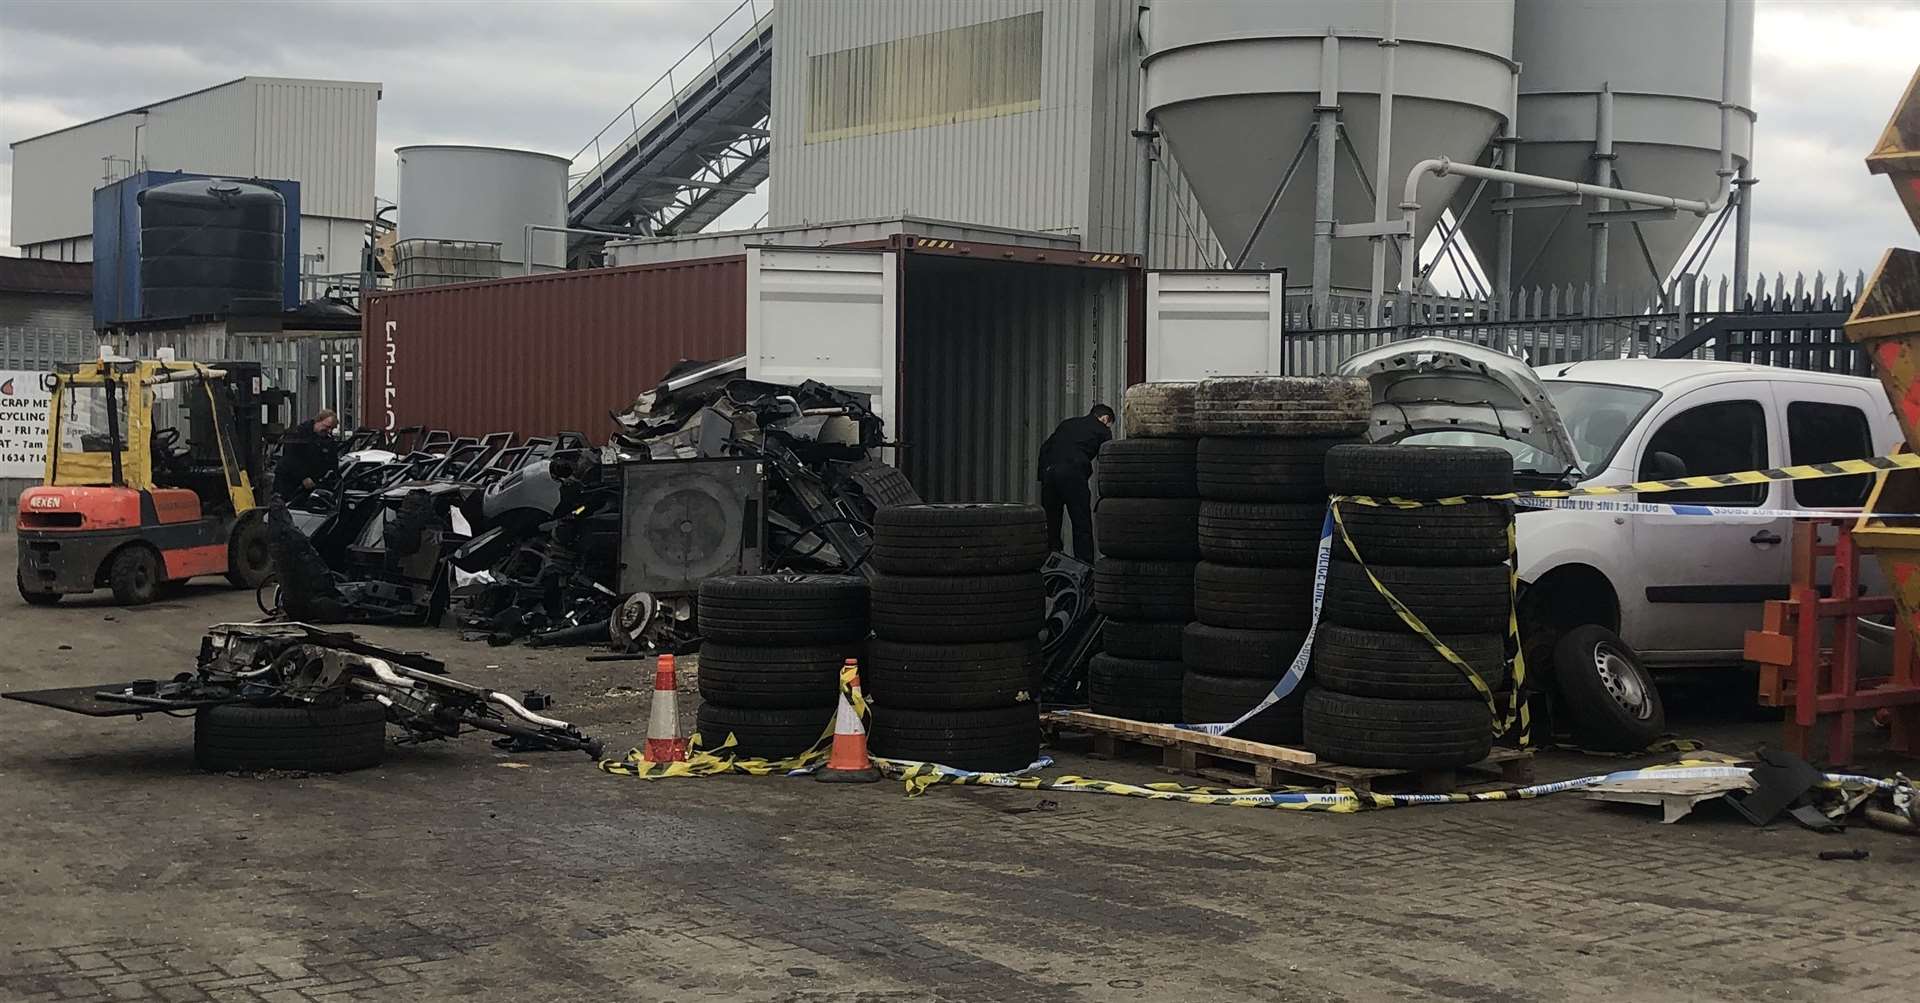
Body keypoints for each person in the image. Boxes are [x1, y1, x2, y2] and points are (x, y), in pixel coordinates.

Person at [1037, 404, 1114, 561]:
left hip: (1049, 473)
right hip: (1072, 474)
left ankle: (1051, 564)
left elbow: (1045, 448)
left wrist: (1043, 476)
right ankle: (1084, 567)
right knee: (1081, 524)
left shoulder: (1067, 423)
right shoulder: (1103, 430)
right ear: (1105, 419)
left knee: (1051, 524)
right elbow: (1106, 460)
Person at [273, 408, 340, 501]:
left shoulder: (327, 440)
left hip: (311, 486)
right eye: (327, 427)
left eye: (332, 429)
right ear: (318, 421)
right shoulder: (299, 433)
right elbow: (291, 458)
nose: (329, 431)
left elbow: (332, 461)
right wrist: (304, 477)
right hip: (289, 484)